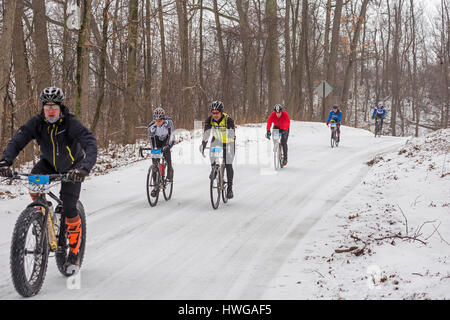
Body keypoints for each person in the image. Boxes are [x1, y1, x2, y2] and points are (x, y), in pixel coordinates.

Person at [0, 86, 97, 273]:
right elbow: (17, 140)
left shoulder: (71, 123)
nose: (50, 110)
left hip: (72, 167)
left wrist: (84, 168)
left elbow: (90, 142)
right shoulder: (36, 123)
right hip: (48, 164)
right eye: (47, 106)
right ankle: (40, 216)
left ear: (60, 107)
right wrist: (6, 161)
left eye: (54, 106)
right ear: (43, 108)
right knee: (35, 187)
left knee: (69, 207)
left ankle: (74, 254)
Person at [199, 101, 236, 199]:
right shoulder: (209, 120)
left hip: (228, 141)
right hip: (217, 140)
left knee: (228, 164)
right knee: (212, 152)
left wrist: (229, 146)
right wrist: (203, 145)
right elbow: (206, 134)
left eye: (217, 113)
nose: (215, 115)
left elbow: (232, 135)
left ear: (221, 112)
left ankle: (229, 189)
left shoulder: (228, 120)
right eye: (213, 113)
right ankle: (214, 169)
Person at [148, 107, 175, 196]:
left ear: (163, 119)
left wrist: (168, 146)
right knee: (155, 162)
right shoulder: (151, 126)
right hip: (157, 140)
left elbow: (171, 136)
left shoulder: (169, 123)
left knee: (167, 155)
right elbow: (151, 140)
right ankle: (156, 186)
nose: (158, 122)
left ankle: (170, 172)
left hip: (167, 139)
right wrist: (154, 149)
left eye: (160, 120)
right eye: (156, 120)